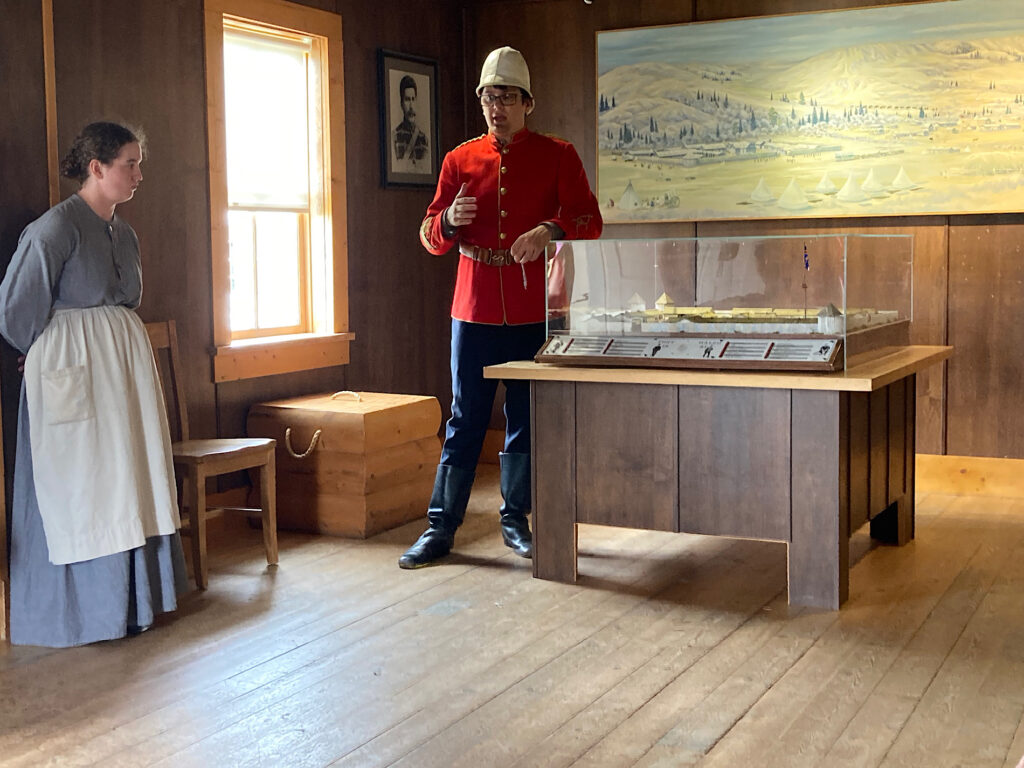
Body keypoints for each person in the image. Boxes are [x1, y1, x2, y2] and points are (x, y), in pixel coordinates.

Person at [399, 46, 603, 569]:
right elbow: (428, 236)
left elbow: (590, 220)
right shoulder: (458, 160)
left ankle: (517, 520)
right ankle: (440, 526)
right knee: (466, 417)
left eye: (507, 97)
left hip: (536, 308)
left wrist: (549, 229)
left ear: (527, 102)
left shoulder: (559, 154)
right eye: (489, 97)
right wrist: (448, 221)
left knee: (526, 418)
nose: (496, 107)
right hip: (473, 308)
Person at [0, 121, 187, 647]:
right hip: (74, 371)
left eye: (138, 163)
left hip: (119, 374)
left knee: (127, 476)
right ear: (96, 167)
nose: (139, 174)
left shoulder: (122, 232)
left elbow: (126, 300)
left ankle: (135, 602)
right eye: (130, 163)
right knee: (83, 486)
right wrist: (39, 354)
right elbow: (16, 310)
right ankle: (80, 613)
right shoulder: (53, 230)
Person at [393, 74, 429, 172]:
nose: (411, 106)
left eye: (413, 99)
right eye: (407, 100)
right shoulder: (395, 137)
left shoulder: (424, 139)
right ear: (401, 103)